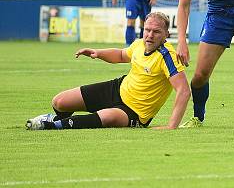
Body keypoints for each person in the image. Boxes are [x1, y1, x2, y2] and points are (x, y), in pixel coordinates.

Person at [26, 12, 190, 130]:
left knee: (107, 117)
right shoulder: (139, 44)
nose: (150, 35)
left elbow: (183, 91)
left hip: (135, 112)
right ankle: (56, 118)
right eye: (147, 30)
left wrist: (171, 126)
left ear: (166, 34)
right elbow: (120, 55)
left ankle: (52, 126)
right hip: (117, 89)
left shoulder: (167, 56)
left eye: (156, 32)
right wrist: (97, 53)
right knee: (59, 102)